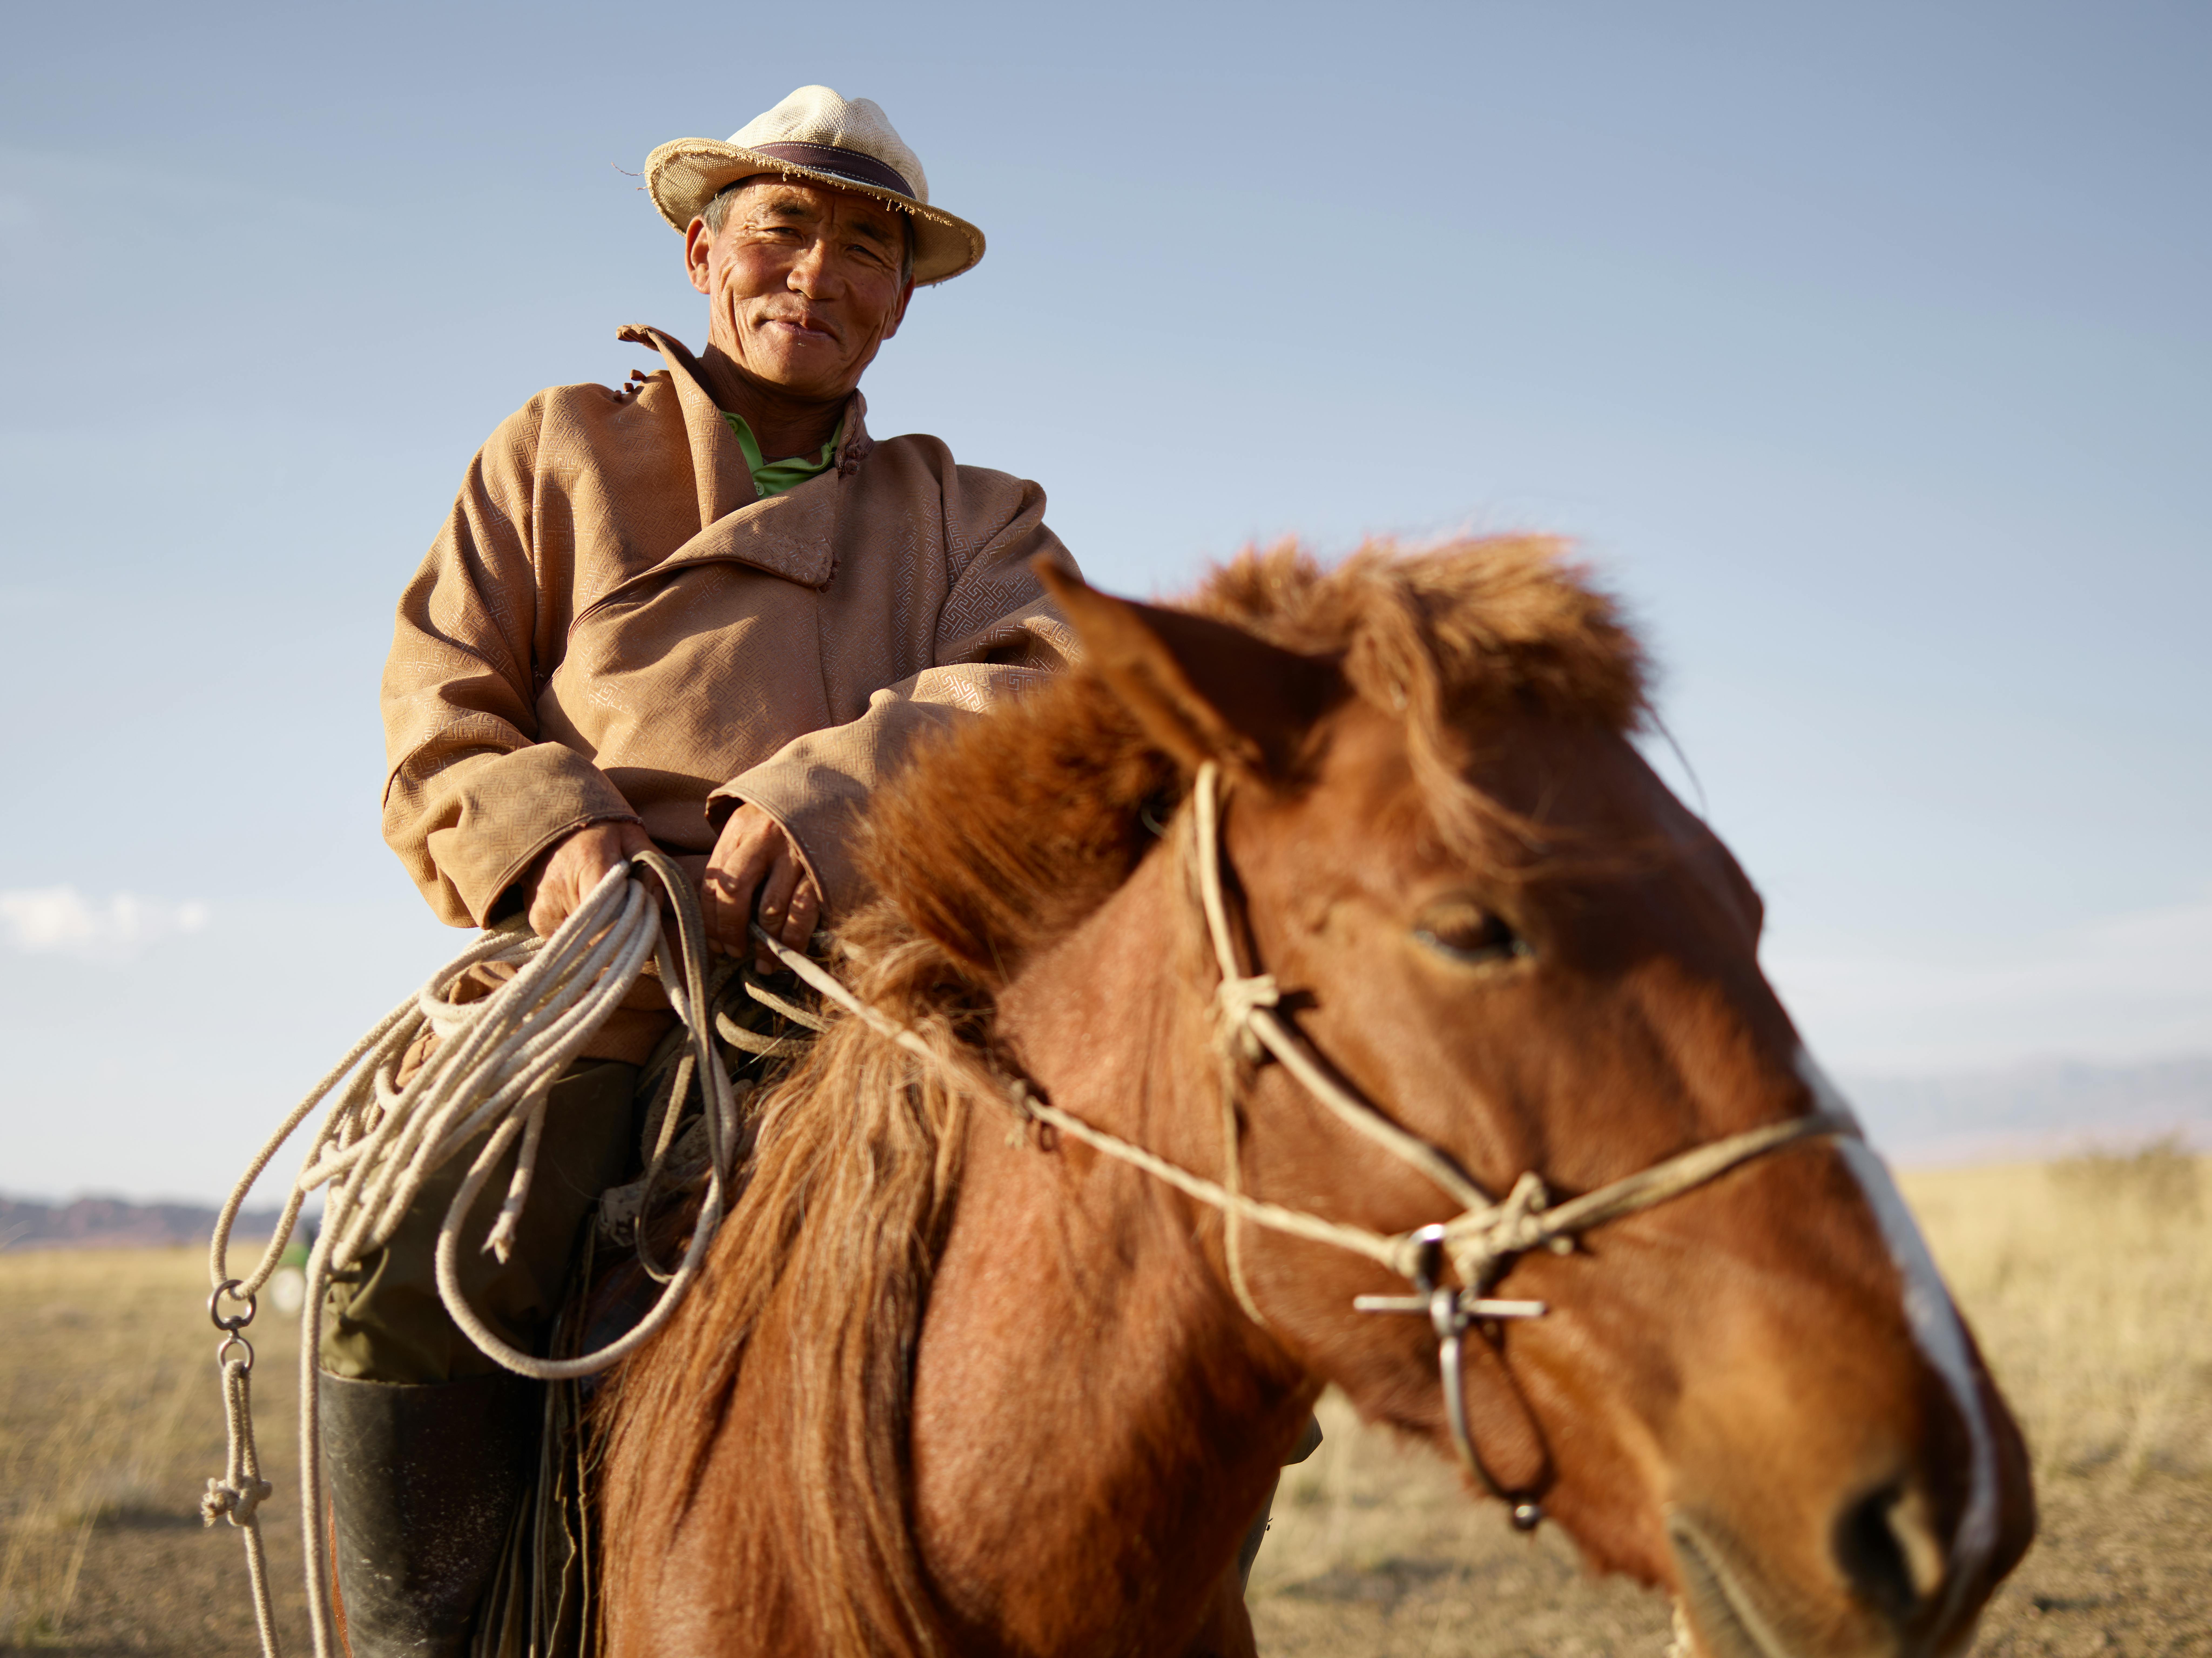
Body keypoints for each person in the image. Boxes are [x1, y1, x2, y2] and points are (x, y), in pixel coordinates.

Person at [324, 86, 1078, 1653]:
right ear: (702, 255)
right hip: (599, 965)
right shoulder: (556, 453)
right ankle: (429, 1641)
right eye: (784, 227)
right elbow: (440, 703)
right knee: (404, 1249)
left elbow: (1048, 689)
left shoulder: (974, 514)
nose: (820, 270)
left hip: (877, 975)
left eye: (868, 247)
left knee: (1133, 1257)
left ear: (901, 304)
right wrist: (558, 837)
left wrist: (832, 803)